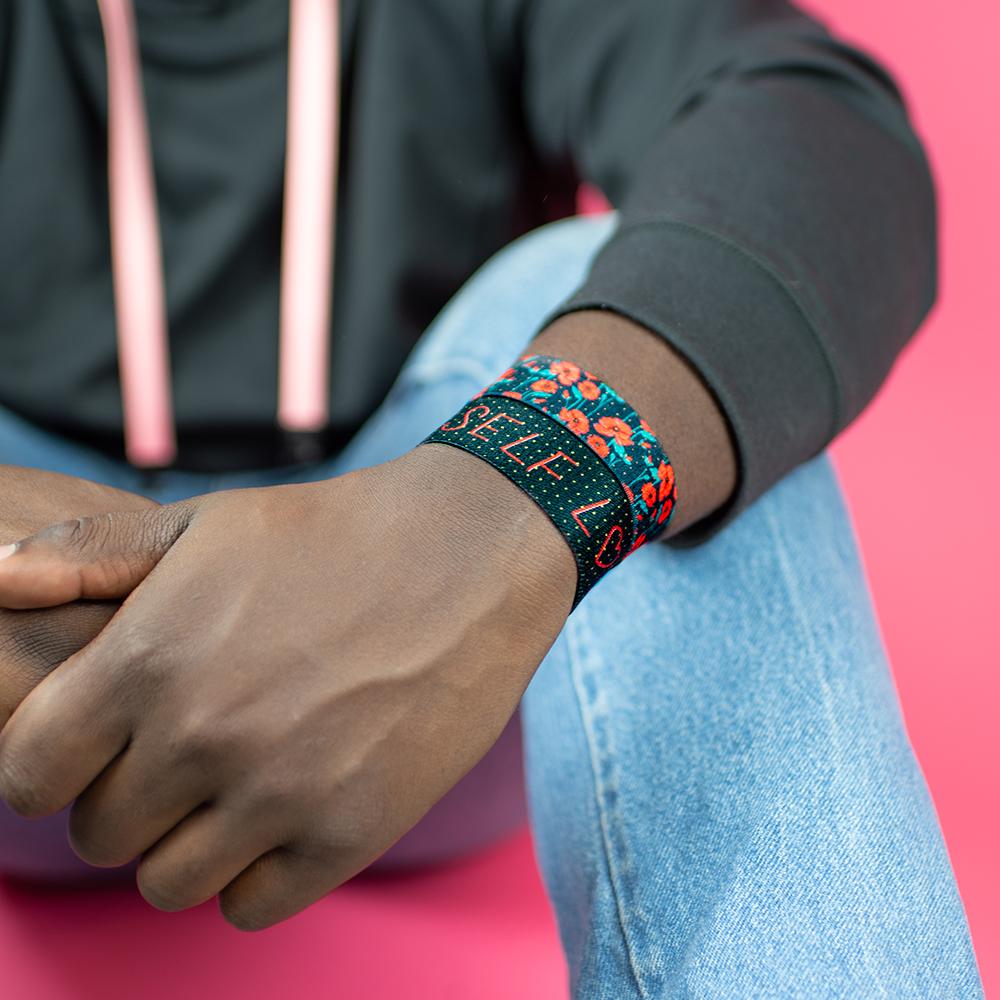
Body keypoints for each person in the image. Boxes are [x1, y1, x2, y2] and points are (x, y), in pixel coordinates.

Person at [0, 0, 984, 996]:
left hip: (434, 665)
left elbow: (812, 133)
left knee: (659, 351)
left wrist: (512, 501)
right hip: (26, 711)